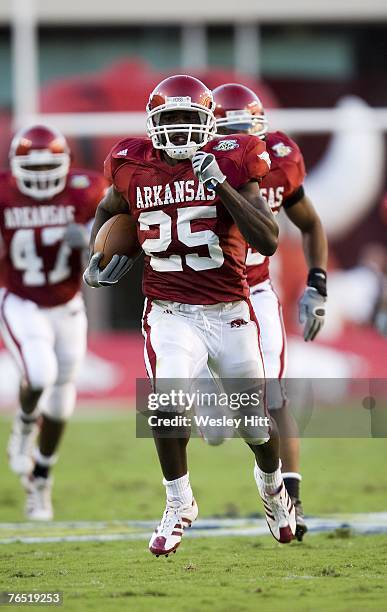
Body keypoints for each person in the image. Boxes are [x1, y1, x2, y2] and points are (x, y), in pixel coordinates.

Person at [84, 74, 297, 556]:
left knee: (254, 425)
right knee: (165, 402)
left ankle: (271, 488)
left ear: (208, 123)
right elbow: (107, 210)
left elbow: (267, 239)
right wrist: (95, 259)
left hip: (229, 311)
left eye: (189, 118)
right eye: (169, 119)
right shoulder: (129, 163)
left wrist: (219, 182)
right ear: (152, 124)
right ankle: (179, 502)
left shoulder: (234, 157)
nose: (179, 129)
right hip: (169, 312)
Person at [212, 83, 329, 540]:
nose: (240, 142)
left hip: (256, 287)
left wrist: (317, 283)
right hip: (197, 294)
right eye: (229, 132)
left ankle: (291, 497)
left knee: (274, 394)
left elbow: (310, 222)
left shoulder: (279, 158)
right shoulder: (186, 165)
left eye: (247, 131)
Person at [0, 124, 107, 520]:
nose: (43, 175)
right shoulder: (4, 192)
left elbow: (120, 225)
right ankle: (24, 426)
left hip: (67, 304)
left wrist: (94, 235)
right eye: (35, 166)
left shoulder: (86, 189)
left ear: (66, 164)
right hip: (21, 299)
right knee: (40, 373)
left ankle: (41, 479)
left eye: (50, 166)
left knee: (62, 401)